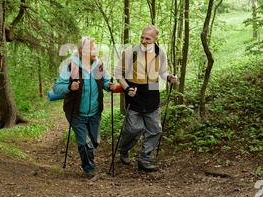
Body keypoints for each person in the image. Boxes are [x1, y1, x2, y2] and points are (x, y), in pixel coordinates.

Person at [115, 25, 178, 172]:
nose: (144, 40)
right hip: (134, 92)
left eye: (148, 39)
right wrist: (126, 88)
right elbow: (119, 74)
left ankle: (145, 158)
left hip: (152, 92)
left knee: (155, 130)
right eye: (142, 37)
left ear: (155, 39)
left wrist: (169, 78)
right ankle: (123, 149)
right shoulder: (131, 52)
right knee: (133, 129)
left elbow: (163, 72)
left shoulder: (160, 53)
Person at [53, 37, 116, 177]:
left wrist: (109, 86)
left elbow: (105, 82)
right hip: (76, 112)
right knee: (84, 142)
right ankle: (89, 168)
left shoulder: (99, 65)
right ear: (82, 51)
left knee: (94, 141)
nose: (96, 50)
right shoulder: (71, 65)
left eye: (95, 47)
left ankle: (88, 158)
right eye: (92, 48)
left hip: (95, 112)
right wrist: (70, 86)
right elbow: (57, 88)